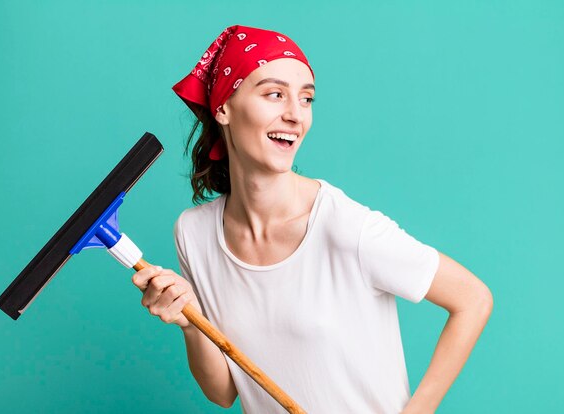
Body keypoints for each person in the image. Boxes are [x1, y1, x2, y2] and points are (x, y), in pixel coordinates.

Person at [131, 25, 493, 414]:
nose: (295, 115)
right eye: (275, 94)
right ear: (224, 108)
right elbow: (223, 392)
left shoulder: (345, 228)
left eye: (306, 99)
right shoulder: (194, 233)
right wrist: (190, 320)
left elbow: (472, 298)